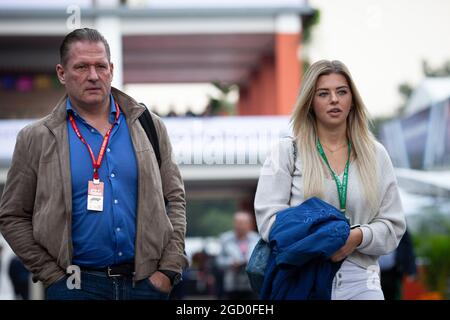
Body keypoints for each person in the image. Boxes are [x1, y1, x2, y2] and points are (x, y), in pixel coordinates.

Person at [0, 28, 187, 300]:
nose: (93, 75)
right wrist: (53, 276)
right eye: (81, 67)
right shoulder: (36, 138)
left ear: (111, 69)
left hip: (145, 285)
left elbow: (175, 199)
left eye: (100, 66)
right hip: (76, 287)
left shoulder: (148, 125)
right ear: (62, 73)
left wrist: (168, 270)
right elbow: (12, 215)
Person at [254, 60, 406, 300]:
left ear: (352, 100)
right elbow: (268, 220)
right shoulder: (286, 152)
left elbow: (393, 224)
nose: (334, 99)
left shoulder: (376, 154)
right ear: (310, 103)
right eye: (323, 93)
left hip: (362, 281)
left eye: (342, 92)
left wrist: (357, 237)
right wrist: (322, 238)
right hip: (303, 279)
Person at [216, 211, 260, 300]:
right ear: (234, 224)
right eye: (239, 223)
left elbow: (262, 260)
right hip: (232, 284)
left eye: (244, 223)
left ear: (250, 225)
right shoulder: (225, 239)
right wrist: (231, 263)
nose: (241, 226)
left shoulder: (257, 239)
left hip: (252, 285)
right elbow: (219, 261)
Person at [379, 229, 417, 300]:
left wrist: (411, 270)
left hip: (394, 272)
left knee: (394, 295)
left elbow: (407, 245)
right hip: (372, 272)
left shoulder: (397, 220)